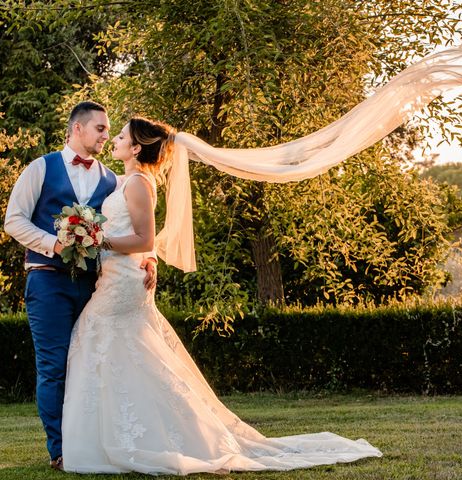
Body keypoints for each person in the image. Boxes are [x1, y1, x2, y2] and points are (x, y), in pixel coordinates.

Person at [61, 117, 382, 474]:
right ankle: (124, 437)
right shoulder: (124, 180)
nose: (115, 140)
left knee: (105, 339)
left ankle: (140, 439)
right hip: (118, 279)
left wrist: (97, 240)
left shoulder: (138, 183)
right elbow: (140, 241)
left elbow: (145, 239)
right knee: (121, 349)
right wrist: (138, 255)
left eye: (121, 136)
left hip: (123, 286)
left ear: (136, 148)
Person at [3, 102, 158, 471]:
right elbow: (13, 221)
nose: (107, 135)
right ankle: (60, 450)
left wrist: (150, 258)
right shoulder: (40, 168)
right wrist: (54, 245)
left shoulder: (111, 179)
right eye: (101, 129)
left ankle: (93, 442)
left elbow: (134, 226)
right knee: (54, 366)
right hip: (47, 279)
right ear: (77, 129)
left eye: (109, 131)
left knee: (88, 365)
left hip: (94, 285)